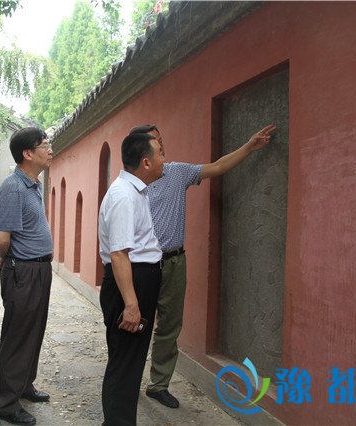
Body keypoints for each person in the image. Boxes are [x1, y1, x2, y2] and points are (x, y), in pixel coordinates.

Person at [129, 123, 276, 408]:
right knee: (136, 323)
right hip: (141, 264)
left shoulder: (177, 172)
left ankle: (158, 385)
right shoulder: (130, 184)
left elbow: (217, 167)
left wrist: (249, 146)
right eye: (153, 142)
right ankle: (128, 380)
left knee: (169, 326)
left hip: (174, 262)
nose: (160, 146)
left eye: (160, 140)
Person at [98, 131, 165, 425]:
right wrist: (131, 304)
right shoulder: (124, 196)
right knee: (125, 362)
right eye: (160, 153)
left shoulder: (135, 192)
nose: (164, 159)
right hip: (130, 282)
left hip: (138, 280)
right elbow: (119, 254)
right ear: (146, 162)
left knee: (130, 361)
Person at [0, 127, 54, 426]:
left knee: (34, 331)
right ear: (27, 153)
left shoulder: (34, 185)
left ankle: (24, 384)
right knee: (18, 336)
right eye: (45, 145)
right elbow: (1, 240)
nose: (50, 149)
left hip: (39, 268)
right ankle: (6, 403)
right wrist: (14, 265)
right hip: (23, 270)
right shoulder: (13, 188)